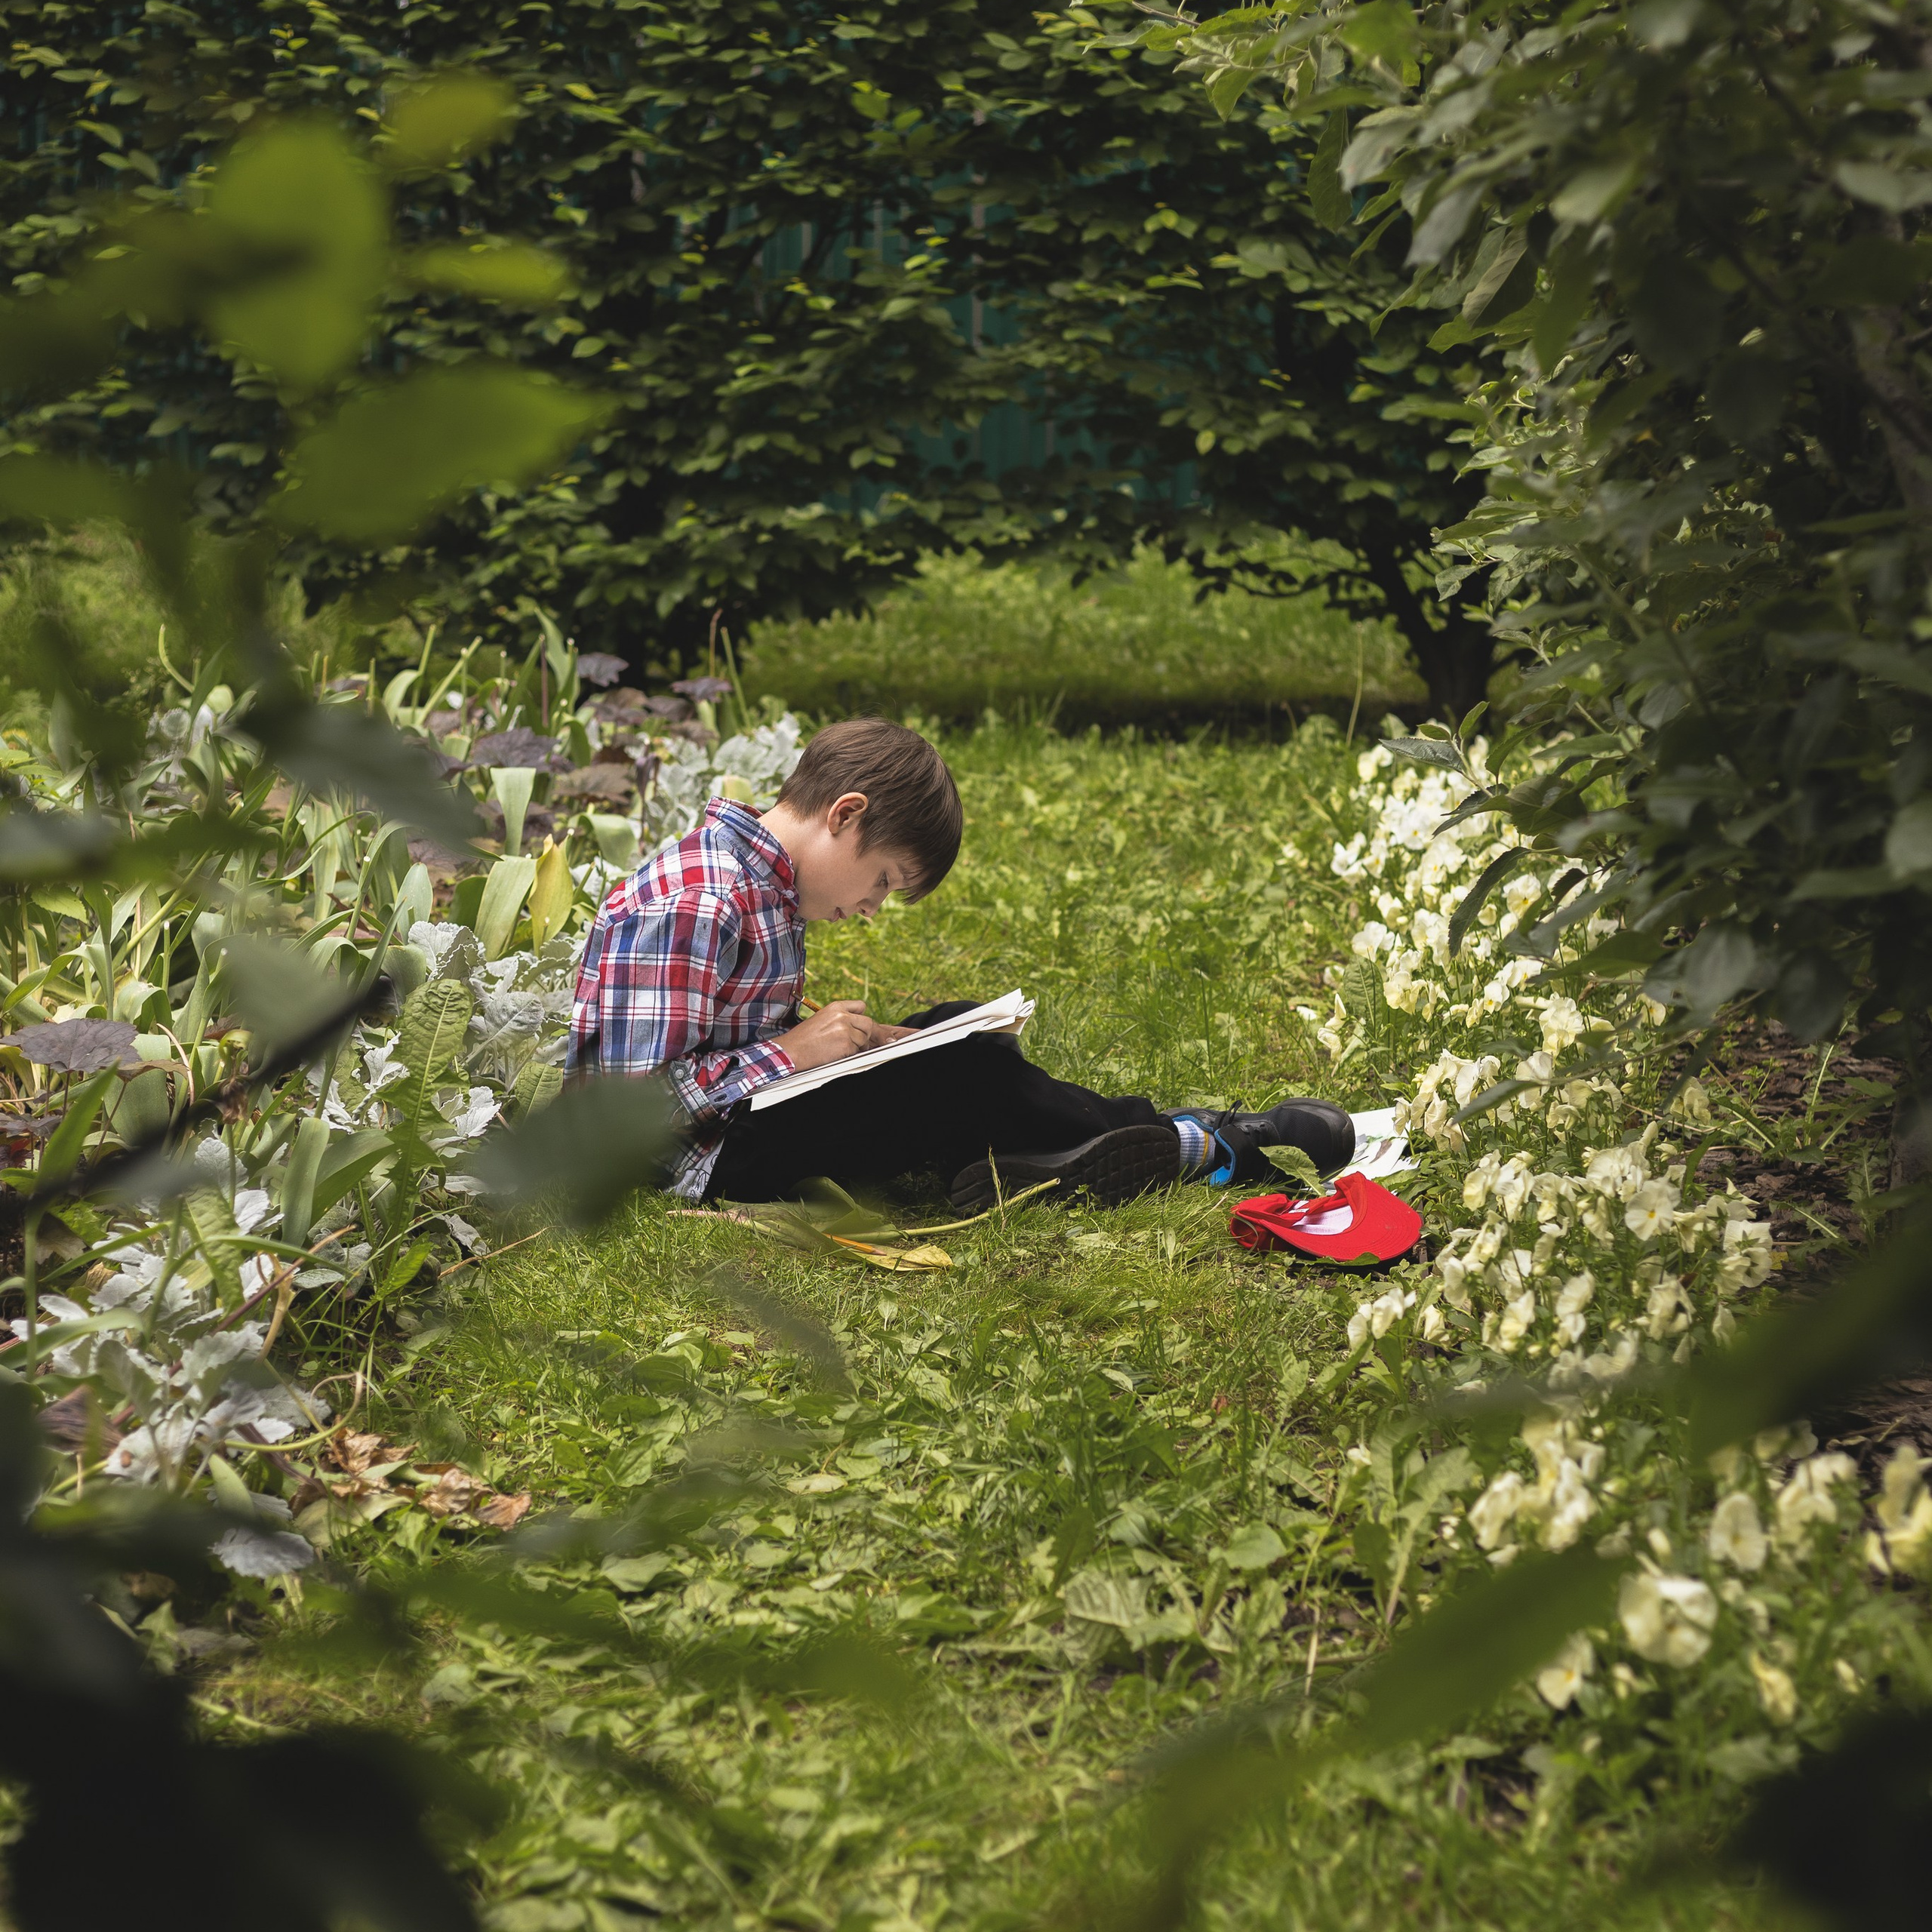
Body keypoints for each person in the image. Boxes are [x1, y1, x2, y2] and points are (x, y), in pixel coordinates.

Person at [567, 717, 1355, 1208]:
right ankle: (1203, 1144)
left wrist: (833, 1043)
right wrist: (791, 1053)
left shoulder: (760, 889)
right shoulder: (698, 902)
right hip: (701, 1163)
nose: (872, 908)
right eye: (882, 882)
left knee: (948, 1035)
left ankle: (1037, 1155)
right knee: (957, 1073)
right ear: (846, 815)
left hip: (737, 1126)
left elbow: (714, 1043)